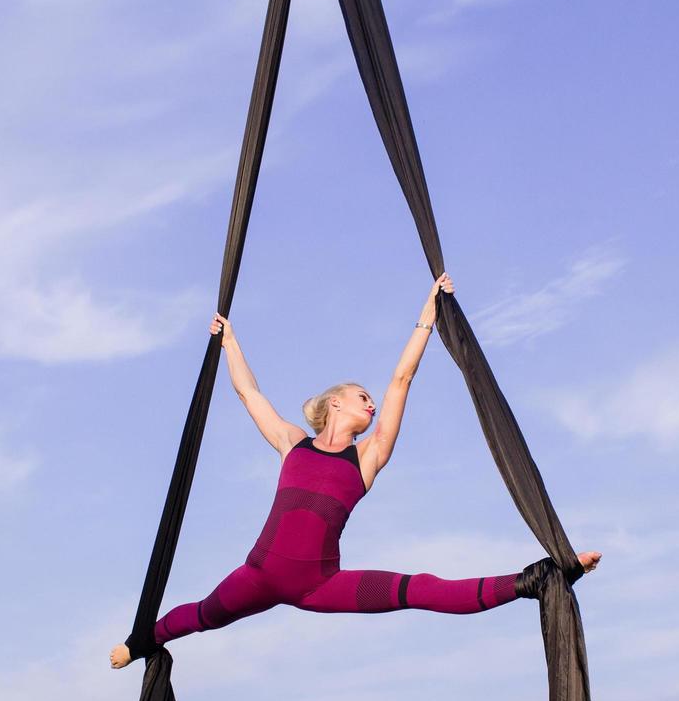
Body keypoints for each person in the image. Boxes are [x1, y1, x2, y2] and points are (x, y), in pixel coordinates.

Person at [110, 272, 601, 668]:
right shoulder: (292, 444)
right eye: (361, 397)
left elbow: (401, 379)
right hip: (258, 574)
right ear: (335, 403)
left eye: (371, 401)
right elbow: (249, 394)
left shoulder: (367, 458)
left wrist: (427, 318)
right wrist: (230, 343)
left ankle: (530, 581)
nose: (371, 404)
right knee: (201, 616)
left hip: (320, 583)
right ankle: (139, 643)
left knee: (421, 589)